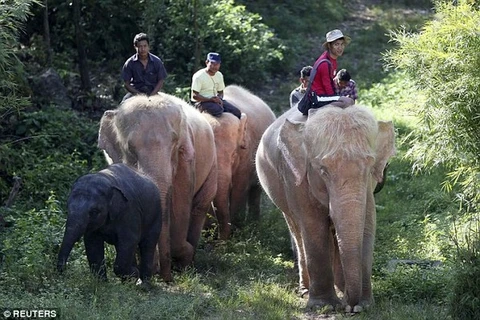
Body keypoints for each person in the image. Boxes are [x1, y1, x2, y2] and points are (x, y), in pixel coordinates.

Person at [304, 29, 354, 114]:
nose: (340, 48)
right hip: (318, 96)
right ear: (330, 46)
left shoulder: (332, 60)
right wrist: (336, 98)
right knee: (348, 102)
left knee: (346, 100)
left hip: (323, 95)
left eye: (342, 44)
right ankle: (316, 111)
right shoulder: (325, 63)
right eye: (336, 44)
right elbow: (327, 85)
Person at [191, 52, 242, 119]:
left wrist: (219, 98)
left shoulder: (219, 75)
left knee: (236, 112)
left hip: (215, 100)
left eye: (217, 64)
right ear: (207, 62)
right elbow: (195, 96)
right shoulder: (199, 76)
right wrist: (210, 99)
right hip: (202, 102)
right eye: (212, 63)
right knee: (218, 110)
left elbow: (220, 91)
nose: (215, 66)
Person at [121, 33, 167, 102]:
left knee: (167, 107)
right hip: (135, 93)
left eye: (145, 46)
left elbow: (161, 81)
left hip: (153, 92)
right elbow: (126, 84)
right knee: (123, 106)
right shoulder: (130, 63)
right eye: (140, 46)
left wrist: (152, 95)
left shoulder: (156, 61)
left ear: (148, 46)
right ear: (135, 47)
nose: (143, 49)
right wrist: (139, 94)